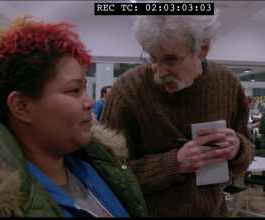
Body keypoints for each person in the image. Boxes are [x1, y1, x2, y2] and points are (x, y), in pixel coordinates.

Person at [0, 15, 147, 217]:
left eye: (85, 89)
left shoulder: (99, 168)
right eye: (74, 90)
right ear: (22, 106)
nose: (89, 102)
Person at [100, 11, 255, 217]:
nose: (159, 72)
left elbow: (247, 150)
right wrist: (175, 164)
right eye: (152, 58)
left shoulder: (227, 82)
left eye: (171, 60)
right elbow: (106, 173)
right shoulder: (129, 90)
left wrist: (238, 148)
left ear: (202, 48)